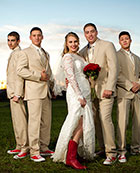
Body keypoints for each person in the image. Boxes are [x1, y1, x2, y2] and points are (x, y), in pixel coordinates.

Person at [52, 32, 95, 170]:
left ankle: (74, 153)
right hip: (77, 93)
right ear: (66, 44)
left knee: (83, 122)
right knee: (78, 122)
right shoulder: (67, 57)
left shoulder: (80, 57)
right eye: (70, 42)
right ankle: (70, 157)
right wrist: (79, 95)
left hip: (85, 91)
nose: (74, 44)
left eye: (76, 41)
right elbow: (70, 76)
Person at [79, 23, 119, 165]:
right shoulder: (83, 51)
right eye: (87, 32)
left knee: (105, 119)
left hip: (105, 90)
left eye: (92, 31)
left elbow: (114, 67)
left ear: (96, 32)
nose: (90, 34)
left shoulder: (107, 45)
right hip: (91, 92)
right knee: (95, 120)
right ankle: (103, 148)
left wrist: (110, 87)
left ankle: (112, 152)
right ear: (84, 34)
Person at [16, 27, 54, 162]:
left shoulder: (46, 53)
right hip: (33, 92)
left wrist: (52, 86)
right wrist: (38, 76)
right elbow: (20, 70)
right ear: (30, 37)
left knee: (46, 121)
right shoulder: (25, 53)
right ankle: (34, 151)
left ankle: (44, 147)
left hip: (46, 92)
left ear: (42, 37)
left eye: (39, 35)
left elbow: (49, 72)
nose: (37, 37)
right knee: (34, 122)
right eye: (34, 35)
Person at [116, 31, 140, 163]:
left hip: (138, 94)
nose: (124, 41)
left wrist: (139, 84)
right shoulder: (116, 56)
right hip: (124, 93)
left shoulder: (137, 57)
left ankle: (136, 148)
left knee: (138, 122)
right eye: (122, 39)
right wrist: (131, 85)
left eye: (127, 39)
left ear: (130, 40)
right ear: (119, 42)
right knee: (122, 123)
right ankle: (121, 151)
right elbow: (117, 75)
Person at [6, 31, 28, 159]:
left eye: (13, 40)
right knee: (16, 121)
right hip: (11, 92)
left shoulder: (20, 54)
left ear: (18, 41)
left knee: (20, 121)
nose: (10, 43)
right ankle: (19, 145)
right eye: (8, 40)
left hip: (16, 93)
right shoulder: (13, 53)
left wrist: (18, 94)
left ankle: (25, 148)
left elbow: (20, 75)